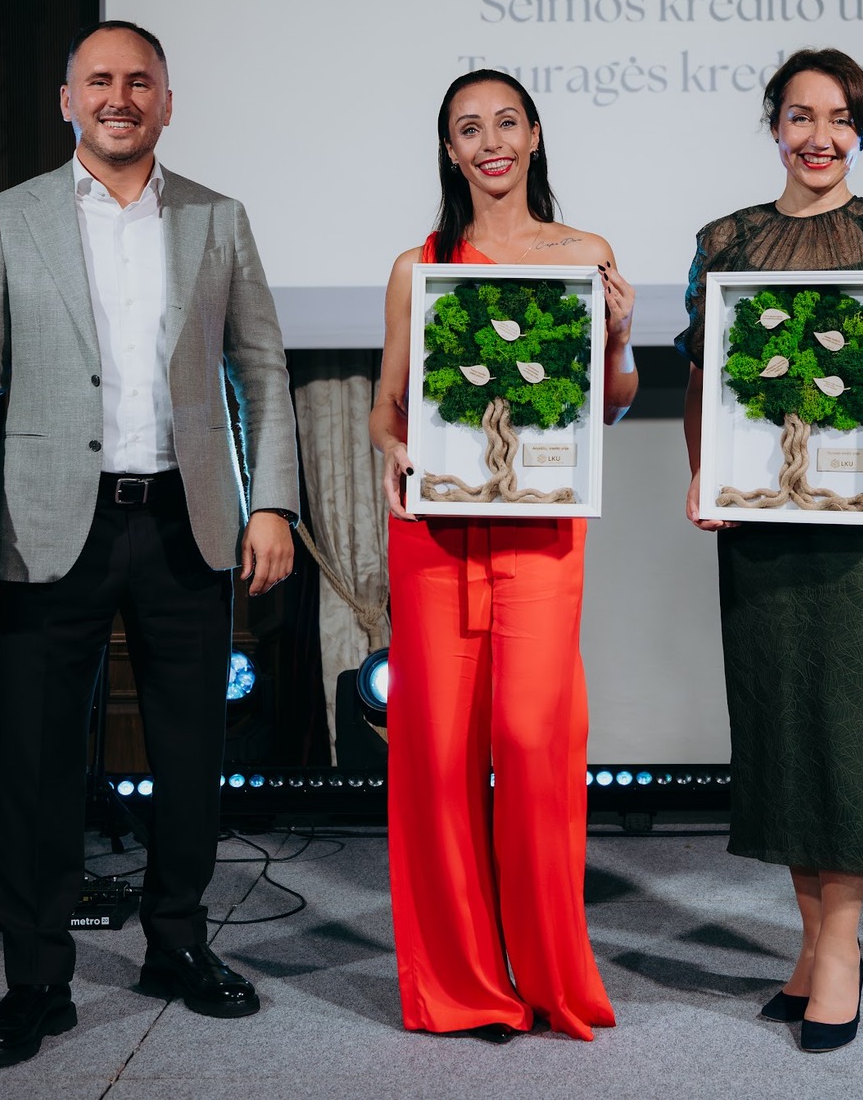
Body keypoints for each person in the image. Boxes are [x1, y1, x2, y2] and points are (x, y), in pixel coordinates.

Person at [0, 20, 300, 1069]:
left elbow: (261, 370)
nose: (119, 96)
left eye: (140, 80)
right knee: (38, 762)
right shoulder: (10, 217)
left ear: (167, 102)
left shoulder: (218, 217)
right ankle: (36, 983)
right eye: (99, 80)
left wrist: (271, 503)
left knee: (190, 754)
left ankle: (176, 946)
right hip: (51, 521)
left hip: (186, 518)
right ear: (67, 100)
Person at [678, 48, 863, 1054]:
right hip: (761, 520)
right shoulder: (726, 240)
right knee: (784, 723)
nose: (819, 136)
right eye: (800, 116)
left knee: (858, 724)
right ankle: (812, 944)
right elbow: (702, 378)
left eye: (840, 119)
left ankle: (839, 949)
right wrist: (702, 475)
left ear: (862, 131)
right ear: (774, 127)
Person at [368, 68, 638, 1043]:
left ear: (533, 135)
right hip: (435, 535)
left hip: (540, 530)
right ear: (450, 151)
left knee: (532, 743)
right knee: (438, 757)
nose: (489, 142)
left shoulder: (585, 254)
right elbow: (386, 404)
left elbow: (609, 401)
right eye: (468, 128)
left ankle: (549, 976)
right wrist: (392, 447)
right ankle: (463, 987)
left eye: (505, 122)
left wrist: (618, 338)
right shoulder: (419, 267)